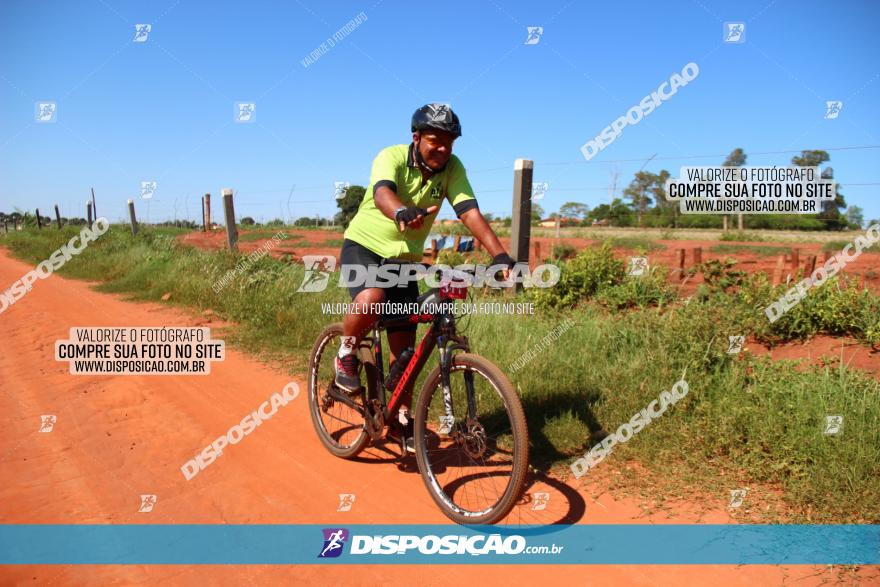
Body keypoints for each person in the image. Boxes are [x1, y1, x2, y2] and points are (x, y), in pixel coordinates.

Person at [335, 103, 515, 452]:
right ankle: (346, 352)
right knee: (371, 298)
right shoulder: (391, 156)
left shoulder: (452, 168)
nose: (444, 149)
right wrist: (401, 210)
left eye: (450, 142)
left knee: (406, 353)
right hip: (365, 247)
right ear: (416, 137)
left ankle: (401, 419)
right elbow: (382, 192)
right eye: (436, 140)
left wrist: (500, 254)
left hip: (404, 261)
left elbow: (469, 212)